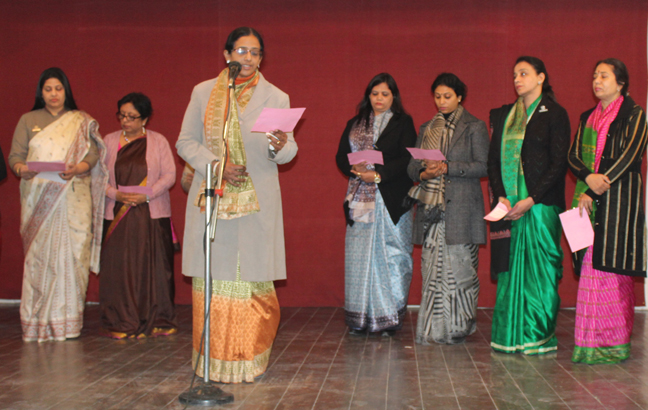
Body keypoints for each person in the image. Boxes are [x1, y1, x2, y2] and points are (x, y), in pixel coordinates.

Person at [176, 27, 298, 383]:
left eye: (255, 52)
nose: (248, 58)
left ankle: (249, 361)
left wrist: (280, 145)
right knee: (214, 283)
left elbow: (288, 150)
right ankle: (210, 362)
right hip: (213, 201)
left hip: (256, 204)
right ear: (227, 54)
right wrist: (217, 166)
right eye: (242, 51)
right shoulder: (203, 92)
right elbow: (185, 142)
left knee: (251, 283)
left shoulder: (276, 97)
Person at [8, 67, 108, 342]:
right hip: (39, 198)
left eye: (58, 88)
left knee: (74, 257)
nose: (53, 94)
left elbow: (92, 155)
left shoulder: (80, 121)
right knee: (39, 260)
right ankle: (36, 322)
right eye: (48, 89)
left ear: (66, 91)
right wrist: (22, 169)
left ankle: (69, 323)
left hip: (72, 199)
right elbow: (16, 156)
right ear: (41, 93)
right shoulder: (29, 120)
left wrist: (78, 168)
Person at [487, 56, 570, 355]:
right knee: (509, 270)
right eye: (514, 75)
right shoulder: (506, 116)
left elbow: (559, 163)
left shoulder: (555, 114)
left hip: (541, 205)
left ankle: (537, 336)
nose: (517, 80)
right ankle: (509, 336)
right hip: (510, 206)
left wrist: (531, 198)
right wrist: (501, 196)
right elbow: (493, 161)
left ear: (541, 77)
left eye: (523, 74)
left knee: (541, 270)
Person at [568, 58, 647, 364]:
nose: (596, 81)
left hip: (618, 206)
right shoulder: (587, 117)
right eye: (594, 76)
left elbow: (630, 156)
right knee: (588, 271)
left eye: (603, 76)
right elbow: (573, 156)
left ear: (621, 82)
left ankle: (612, 345)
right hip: (583, 204)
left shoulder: (635, 114)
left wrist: (594, 187)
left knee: (613, 273)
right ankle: (587, 344)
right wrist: (587, 178)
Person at [406, 73, 489, 345]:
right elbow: (411, 168)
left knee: (461, 272)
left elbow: (484, 166)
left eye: (447, 96)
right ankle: (433, 328)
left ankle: (459, 327)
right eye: (437, 96)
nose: (441, 102)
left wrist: (448, 167)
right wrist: (425, 172)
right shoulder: (426, 128)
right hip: (432, 210)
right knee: (432, 271)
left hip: (462, 209)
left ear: (460, 97)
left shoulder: (474, 126)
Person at [335, 73, 417, 337]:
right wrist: (353, 168)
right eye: (374, 94)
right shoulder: (355, 123)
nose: (379, 98)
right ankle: (359, 318)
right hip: (361, 200)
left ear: (394, 97)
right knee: (359, 259)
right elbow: (341, 157)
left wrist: (378, 174)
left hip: (391, 200)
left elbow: (408, 159)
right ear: (368, 96)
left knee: (394, 257)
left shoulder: (403, 122)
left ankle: (389, 318)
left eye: (385, 94)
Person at [100, 92, 177, 339]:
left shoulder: (158, 141)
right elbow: (98, 177)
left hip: (151, 213)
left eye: (132, 117)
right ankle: (122, 319)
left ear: (144, 119)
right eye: (122, 115)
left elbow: (169, 175)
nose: (125, 121)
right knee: (120, 268)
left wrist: (148, 195)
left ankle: (157, 318)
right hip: (118, 212)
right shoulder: (108, 141)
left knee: (153, 267)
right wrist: (115, 194)